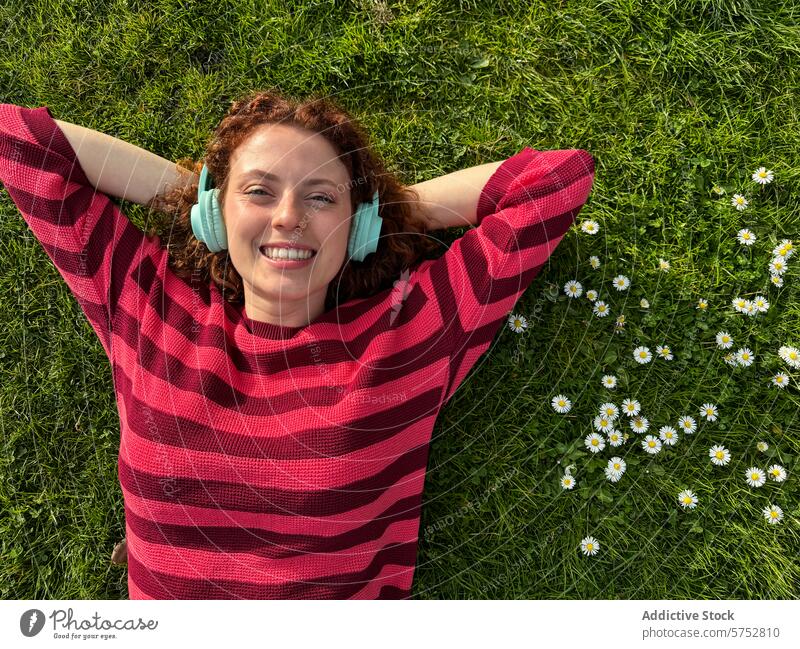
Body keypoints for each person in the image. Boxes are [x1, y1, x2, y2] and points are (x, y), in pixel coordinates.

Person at [0, 90, 595, 599]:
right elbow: (17, 138)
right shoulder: (150, 309)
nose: (289, 216)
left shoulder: (407, 333)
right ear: (216, 214)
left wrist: (387, 213)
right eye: (260, 192)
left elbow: (555, 181)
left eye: (321, 198)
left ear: (356, 225)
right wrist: (193, 199)